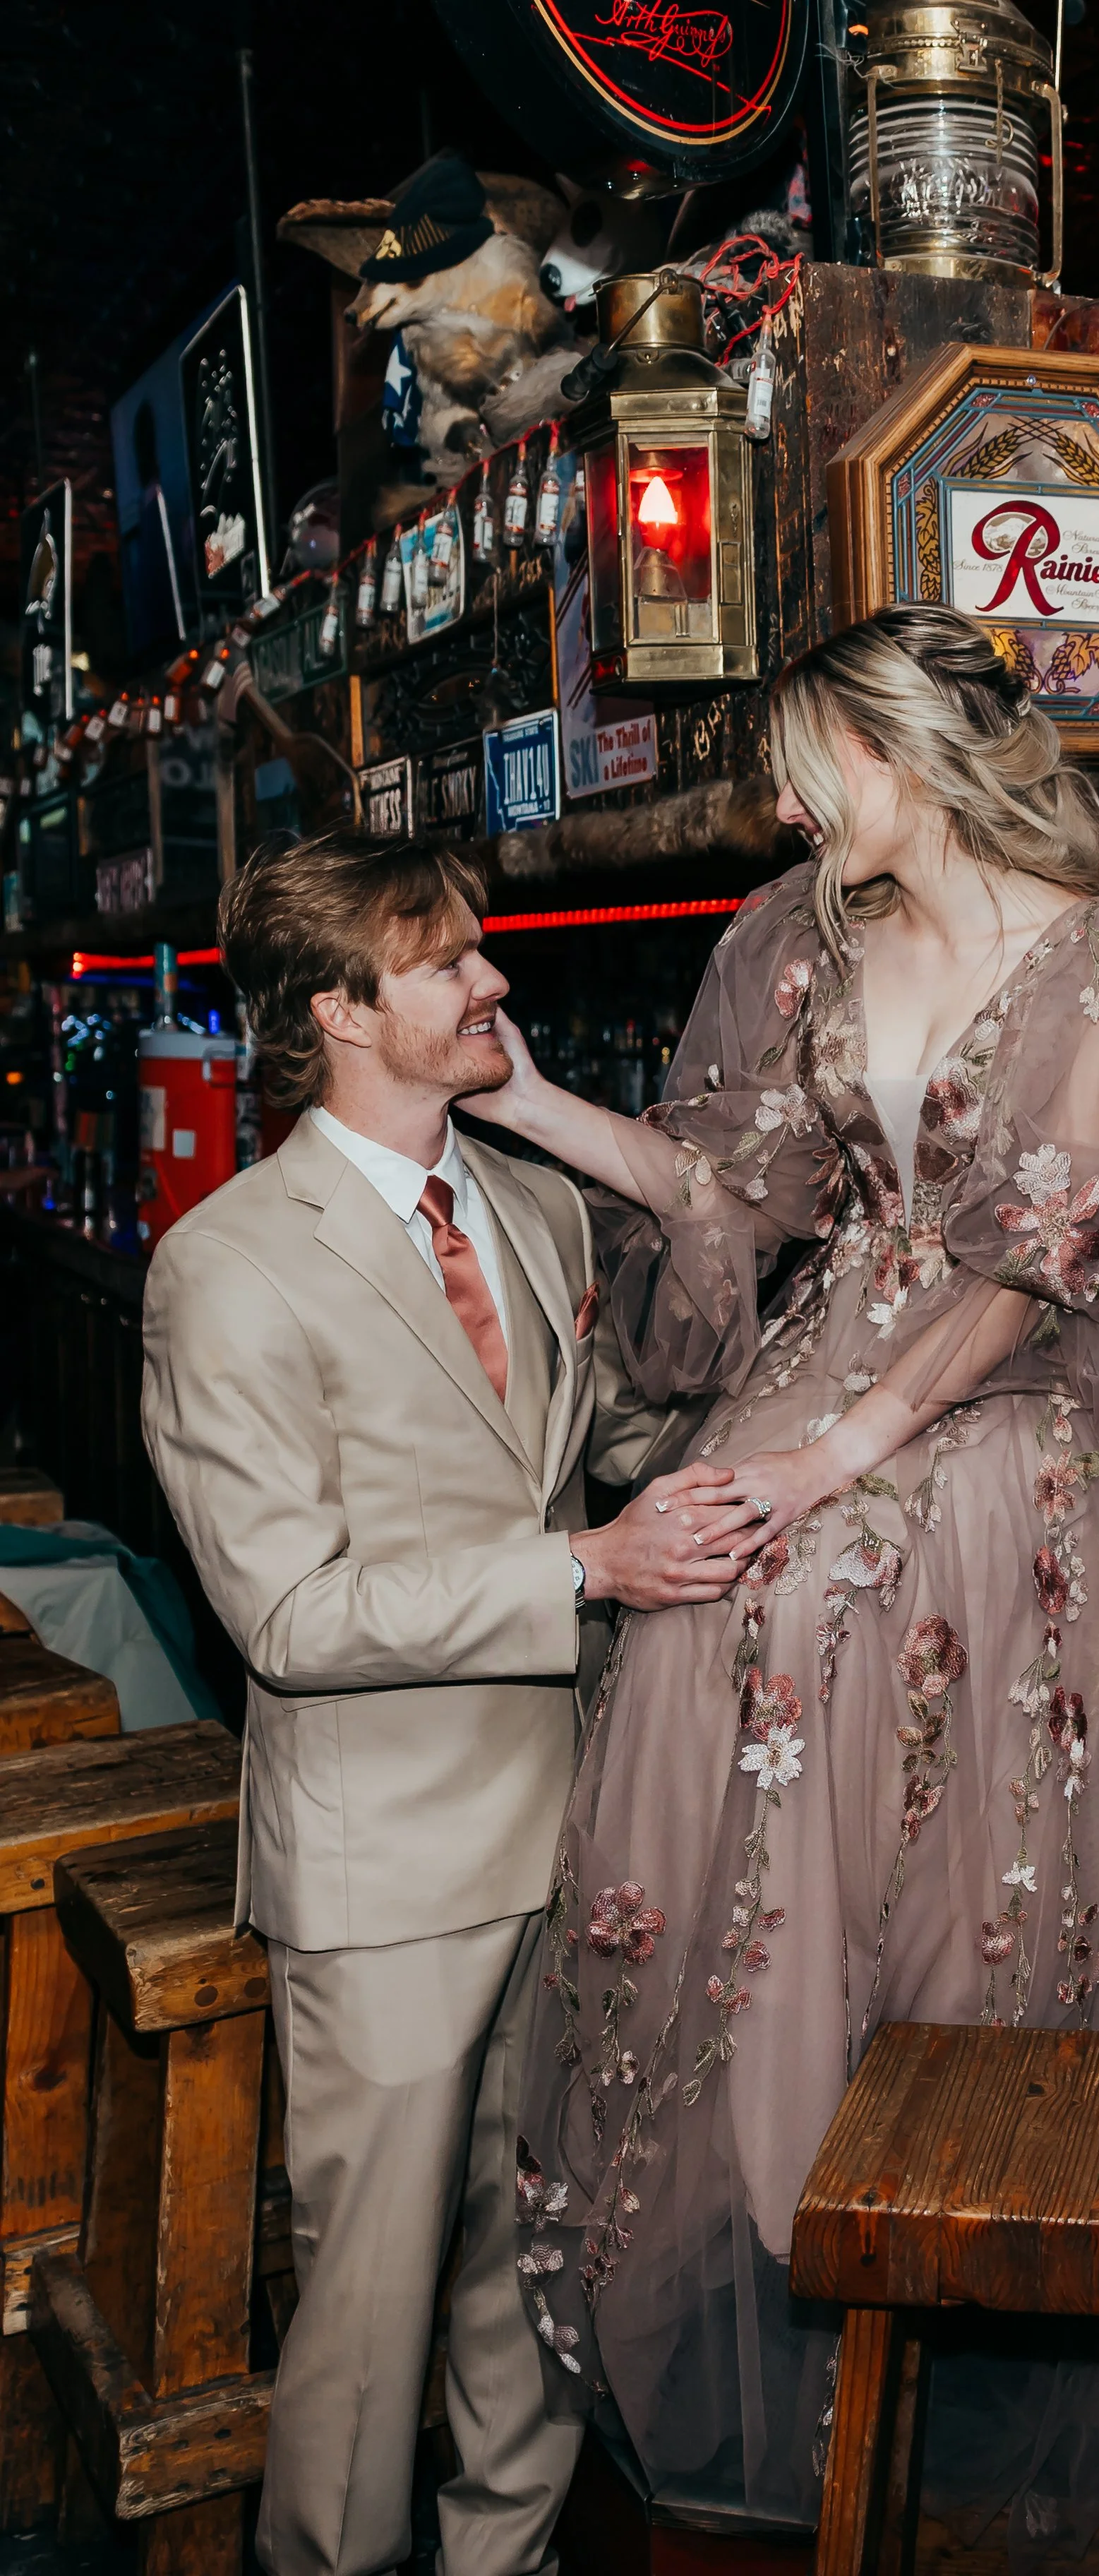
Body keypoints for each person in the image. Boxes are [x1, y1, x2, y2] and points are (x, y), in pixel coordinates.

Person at [472, 604, 1099, 2560]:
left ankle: (971, 2318)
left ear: (901, 758)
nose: (776, 800)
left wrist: (841, 1450)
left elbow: (1035, 1257)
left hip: (1045, 1430)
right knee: (729, 1662)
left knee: (868, 1623)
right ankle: (797, 2258)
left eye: (803, 766)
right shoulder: (793, 936)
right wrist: (517, 1096)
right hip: (830, 1374)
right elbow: (725, 1191)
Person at [140, 832, 763, 2576]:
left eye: (480, 952)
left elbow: (606, 1459)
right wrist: (589, 1570)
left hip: (568, 1822)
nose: (495, 984)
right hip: (385, 1859)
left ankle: (510, 2557)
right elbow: (287, 1609)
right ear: (338, 1009)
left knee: (532, 2265)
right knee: (369, 2299)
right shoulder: (232, 1265)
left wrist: (793, 1467)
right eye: (447, 965)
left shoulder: (536, 1199)